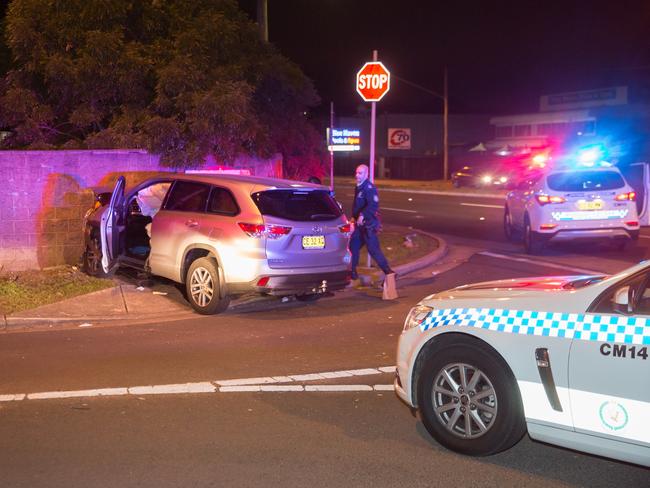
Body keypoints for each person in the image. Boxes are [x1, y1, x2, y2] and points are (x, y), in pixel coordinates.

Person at [349, 164, 394, 281]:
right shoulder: (358, 186)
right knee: (353, 247)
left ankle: (389, 272)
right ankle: (352, 272)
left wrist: (363, 215)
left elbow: (373, 206)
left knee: (373, 250)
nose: (357, 175)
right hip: (359, 226)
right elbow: (357, 205)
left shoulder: (369, 188)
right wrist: (354, 217)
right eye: (356, 173)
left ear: (366, 174)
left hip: (369, 225)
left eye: (360, 173)